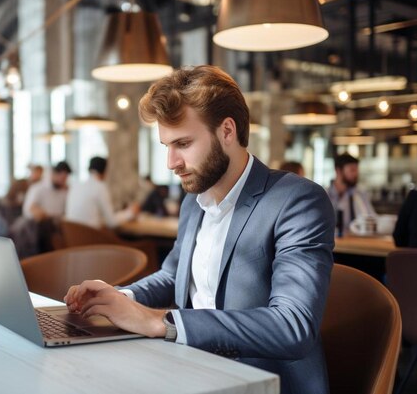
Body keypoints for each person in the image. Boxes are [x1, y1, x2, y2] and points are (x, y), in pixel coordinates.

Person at [64, 65, 335, 394]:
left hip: (261, 382)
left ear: (227, 131)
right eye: (167, 145)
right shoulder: (194, 201)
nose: (171, 162)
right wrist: (120, 298)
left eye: (183, 143)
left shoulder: (296, 200)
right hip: (191, 370)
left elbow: (292, 326)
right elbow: (174, 275)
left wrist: (157, 321)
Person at [65, 156, 139, 229]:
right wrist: (130, 213)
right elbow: (112, 222)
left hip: (72, 237)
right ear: (104, 171)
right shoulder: (100, 187)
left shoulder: (76, 185)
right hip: (90, 236)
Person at [327, 153, 376, 233]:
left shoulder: (361, 194)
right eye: (352, 170)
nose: (356, 174)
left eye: (357, 170)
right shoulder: (325, 195)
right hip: (331, 241)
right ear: (338, 170)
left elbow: (371, 219)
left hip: (355, 242)